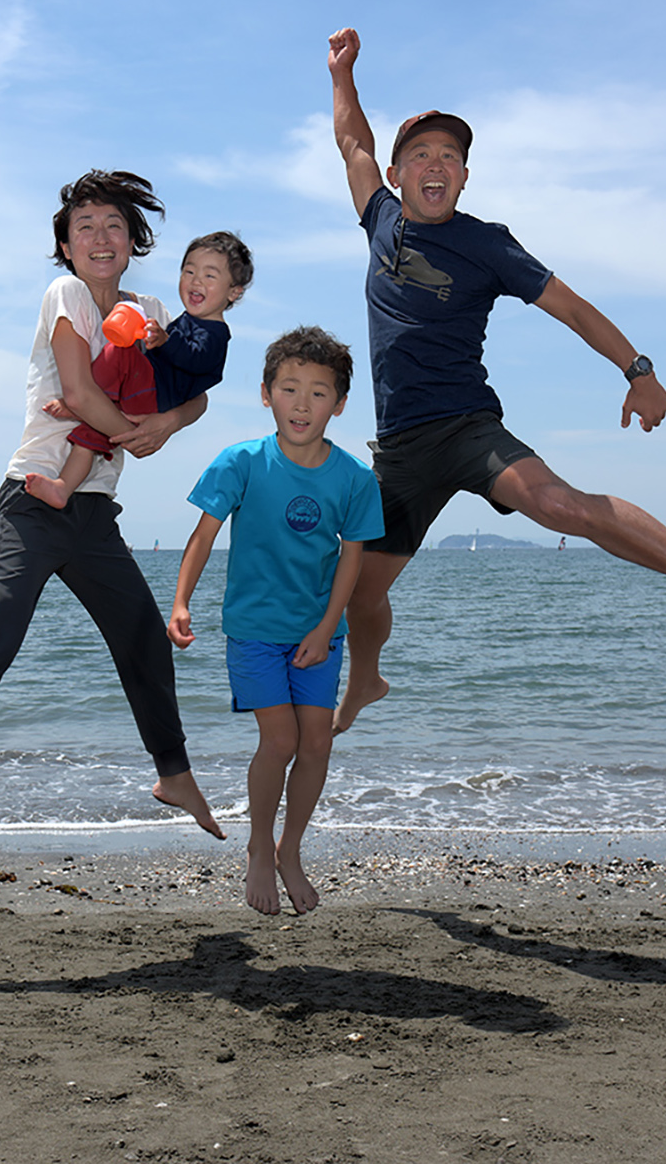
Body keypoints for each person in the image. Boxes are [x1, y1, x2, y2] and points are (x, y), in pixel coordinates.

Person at [325, 27, 666, 733]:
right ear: (398, 173)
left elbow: (570, 307)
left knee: (559, 505)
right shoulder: (380, 218)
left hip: (467, 428)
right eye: (420, 154)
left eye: (450, 155)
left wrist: (638, 370)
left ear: (465, 177)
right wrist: (342, 75)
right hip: (400, 451)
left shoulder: (486, 243)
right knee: (359, 591)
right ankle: (367, 678)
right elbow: (352, 141)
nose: (436, 163)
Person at [0, 170, 225, 886]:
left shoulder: (150, 310)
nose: (100, 238)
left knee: (142, 638)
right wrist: (135, 428)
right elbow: (77, 391)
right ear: (67, 247)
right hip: (32, 503)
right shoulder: (65, 294)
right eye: (85, 228)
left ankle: (173, 773)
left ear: (133, 241)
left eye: (114, 225)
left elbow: (193, 394)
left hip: (95, 512)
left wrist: (166, 423)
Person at [168, 327, 384, 916]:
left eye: (318, 392)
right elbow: (203, 536)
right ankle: (259, 847)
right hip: (254, 629)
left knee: (317, 742)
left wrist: (327, 628)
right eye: (289, 388)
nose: (302, 404)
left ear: (339, 404)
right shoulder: (240, 462)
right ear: (267, 395)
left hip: (319, 631)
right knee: (281, 740)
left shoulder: (355, 479)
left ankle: (291, 849)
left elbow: (352, 559)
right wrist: (181, 602)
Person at [25, 232, 253, 510]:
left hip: (154, 397)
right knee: (92, 435)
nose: (196, 281)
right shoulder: (188, 321)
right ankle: (63, 486)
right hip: (148, 393)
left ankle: (81, 406)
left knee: (121, 351)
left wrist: (164, 341)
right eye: (189, 271)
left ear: (233, 292)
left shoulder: (216, 334)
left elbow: (198, 362)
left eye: (209, 276)